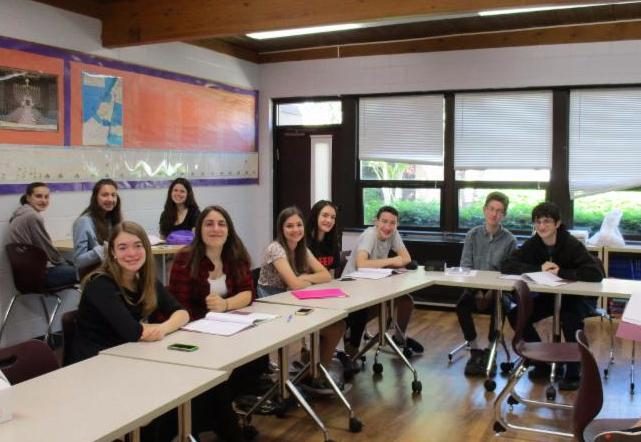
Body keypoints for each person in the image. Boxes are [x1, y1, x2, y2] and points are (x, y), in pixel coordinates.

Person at [70, 221, 243, 442]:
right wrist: (147, 330)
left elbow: (181, 313)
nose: (131, 253)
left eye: (137, 245)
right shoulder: (100, 285)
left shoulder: (145, 280)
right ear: (112, 252)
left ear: (146, 248)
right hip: (99, 369)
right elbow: (133, 332)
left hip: (134, 357)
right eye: (122, 247)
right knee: (180, 393)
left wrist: (160, 328)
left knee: (212, 384)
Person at [502, 201, 604, 391]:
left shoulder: (571, 243)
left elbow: (595, 273)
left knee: (569, 317)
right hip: (551, 295)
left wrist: (561, 272)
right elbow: (507, 265)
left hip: (577, 298)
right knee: (516, 315)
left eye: (547, 221)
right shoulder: (534, 243)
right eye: (538, 222)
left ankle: (574, 371)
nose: (541, 226)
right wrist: (537, 268)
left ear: (557, 224)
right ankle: (541, 362)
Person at [168, 205, 269, 397]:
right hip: (194, 331)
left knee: (258, 356)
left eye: (221, 224)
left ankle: (241, 399)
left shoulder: (237, 255)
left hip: (228, 327)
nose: (216, 229)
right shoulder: (185, 258)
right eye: (209, 224)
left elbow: (247, 293)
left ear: (229, 230)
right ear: (199, 230)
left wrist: (225, 305)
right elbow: (179, 305)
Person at [257, 206, 347, 394]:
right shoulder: (276, 249)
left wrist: (305, 278)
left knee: (337, 325)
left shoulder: (301, 248)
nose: (295, 229)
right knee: (334, 328)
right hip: (274, 307)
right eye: (289, 226)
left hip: (293, 301)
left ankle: (315, 372)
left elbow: (325, 275)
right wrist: (303, 281)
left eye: (299, 225)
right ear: (281, 229)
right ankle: (312, 373)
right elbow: (293, 284)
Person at [342, 205, 424, 356]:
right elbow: (362, 264)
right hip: (353, 285)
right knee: (366, 309)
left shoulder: (393, 233)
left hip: (375, 282)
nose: (388, 227)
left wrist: (389, 263)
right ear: (376, 222)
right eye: (384, 221)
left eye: (392, 223)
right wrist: (391, 261)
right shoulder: (370, 235)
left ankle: (399, 338)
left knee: (406, 301)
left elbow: (406, 258)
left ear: (397, 224)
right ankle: (350, 333)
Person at [456, 192, 516, 376]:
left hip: (498, 291)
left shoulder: (510, 240)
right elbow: (465, 266)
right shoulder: (472, 235)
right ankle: (474, 350)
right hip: (474, 288)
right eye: (491, 209)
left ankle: (491, 351)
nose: (494, 214)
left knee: (500, 307)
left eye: (499, 211)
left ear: (504, 215)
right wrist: (476, 292)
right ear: (484, 210)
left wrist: (491, 292)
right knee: (461, 305)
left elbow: (509, 272)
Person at [8, 182, 78, 287]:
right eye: (38, 196)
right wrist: (65, 263)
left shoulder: (19, 214)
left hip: (24, 277)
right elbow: (46, 248)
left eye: (46, 197)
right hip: (39, 275)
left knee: (74, 265)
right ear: (28, 198)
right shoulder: (32, 216)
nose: (44, 201)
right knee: (89, 270)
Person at [72, 178, 122, 278]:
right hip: (94, 276)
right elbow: (78, 261)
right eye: (105, 195)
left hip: (112, 272)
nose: (110, 199)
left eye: (113, 195)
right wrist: (105, 249)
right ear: (95, 198)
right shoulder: (84, 221)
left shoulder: (111, 219)